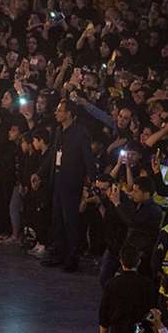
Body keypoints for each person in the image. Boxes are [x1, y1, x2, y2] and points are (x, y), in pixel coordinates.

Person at [34, 99, 95, 272]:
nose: (56, 113)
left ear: (69, 113)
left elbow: (87, 157)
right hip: (58, 181)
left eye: (60, 110)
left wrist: (91, 180)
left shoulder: (80, 133)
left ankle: (72, 257)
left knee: (71, 221)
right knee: (58, 220)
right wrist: (40, 173)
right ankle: (59, 253)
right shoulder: (59, 131)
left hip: (72, 183)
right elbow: (54, 154)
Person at [97, 246, 157, 333]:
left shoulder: (111, 284)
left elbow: (104, 316)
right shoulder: (147, 285)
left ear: (121, 261)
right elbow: (153, 314)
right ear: (138, 262)